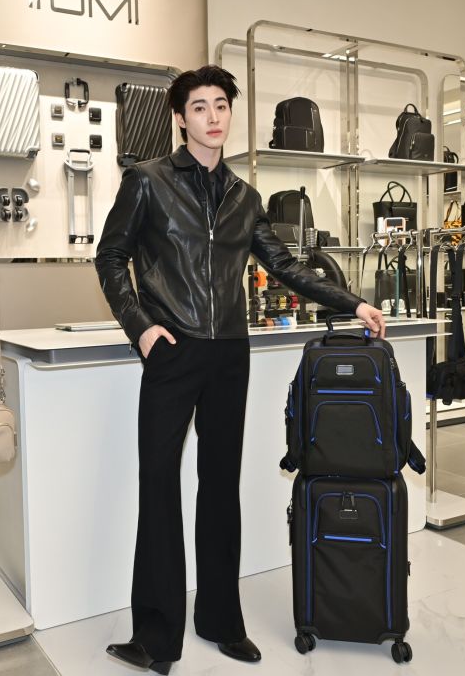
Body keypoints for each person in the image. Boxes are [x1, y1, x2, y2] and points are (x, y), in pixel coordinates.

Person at [95, 64, 385, 673]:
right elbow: (111, 256)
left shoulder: (244, 198)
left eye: (221, 105)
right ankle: (155, 637)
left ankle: (221, 620)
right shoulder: (147, 182)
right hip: (171, 351)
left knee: (221, 489)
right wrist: (140, 326)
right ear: (180, 118)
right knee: (159, 488)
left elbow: (286, 267)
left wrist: (352, 302)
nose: (213, 117)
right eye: (200, 107)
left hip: (229, 353)